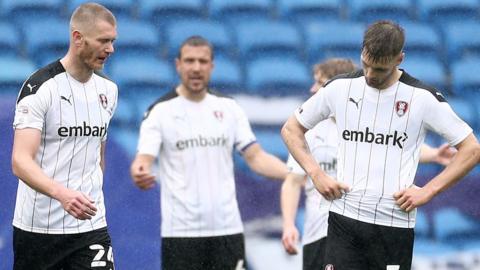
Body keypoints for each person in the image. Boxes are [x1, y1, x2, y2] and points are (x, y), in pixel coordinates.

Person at [281, 20, 480, 270]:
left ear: (399, 59)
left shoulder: (422, 98)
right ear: (362, 51)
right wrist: (316, 173)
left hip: (393, 225)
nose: (370, 75)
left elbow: (472, 149)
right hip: (344, 220)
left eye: (379, 69)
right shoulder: (339, 88)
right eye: (366, 65)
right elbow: (291, 128)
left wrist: (429, 190)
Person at [130, 35, 288, 270]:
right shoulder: (159, 112)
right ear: (178, 65)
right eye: (190, 61)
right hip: (181, 234)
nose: (196, 68)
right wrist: (139, 172)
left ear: (212, 66)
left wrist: (293, 174)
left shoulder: (228, 108)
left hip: (227, 231)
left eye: (202, 62)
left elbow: (255, 156)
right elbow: (143, 160)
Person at [11, 3, 117, 269]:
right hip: (38, 230)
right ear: (77, 37)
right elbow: (20, 161)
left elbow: (97, 154)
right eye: (103, 41)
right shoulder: (40, 88)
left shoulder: (109, 91)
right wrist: (62, 194)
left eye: (112, 41)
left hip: (90, 227)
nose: (110, 49)